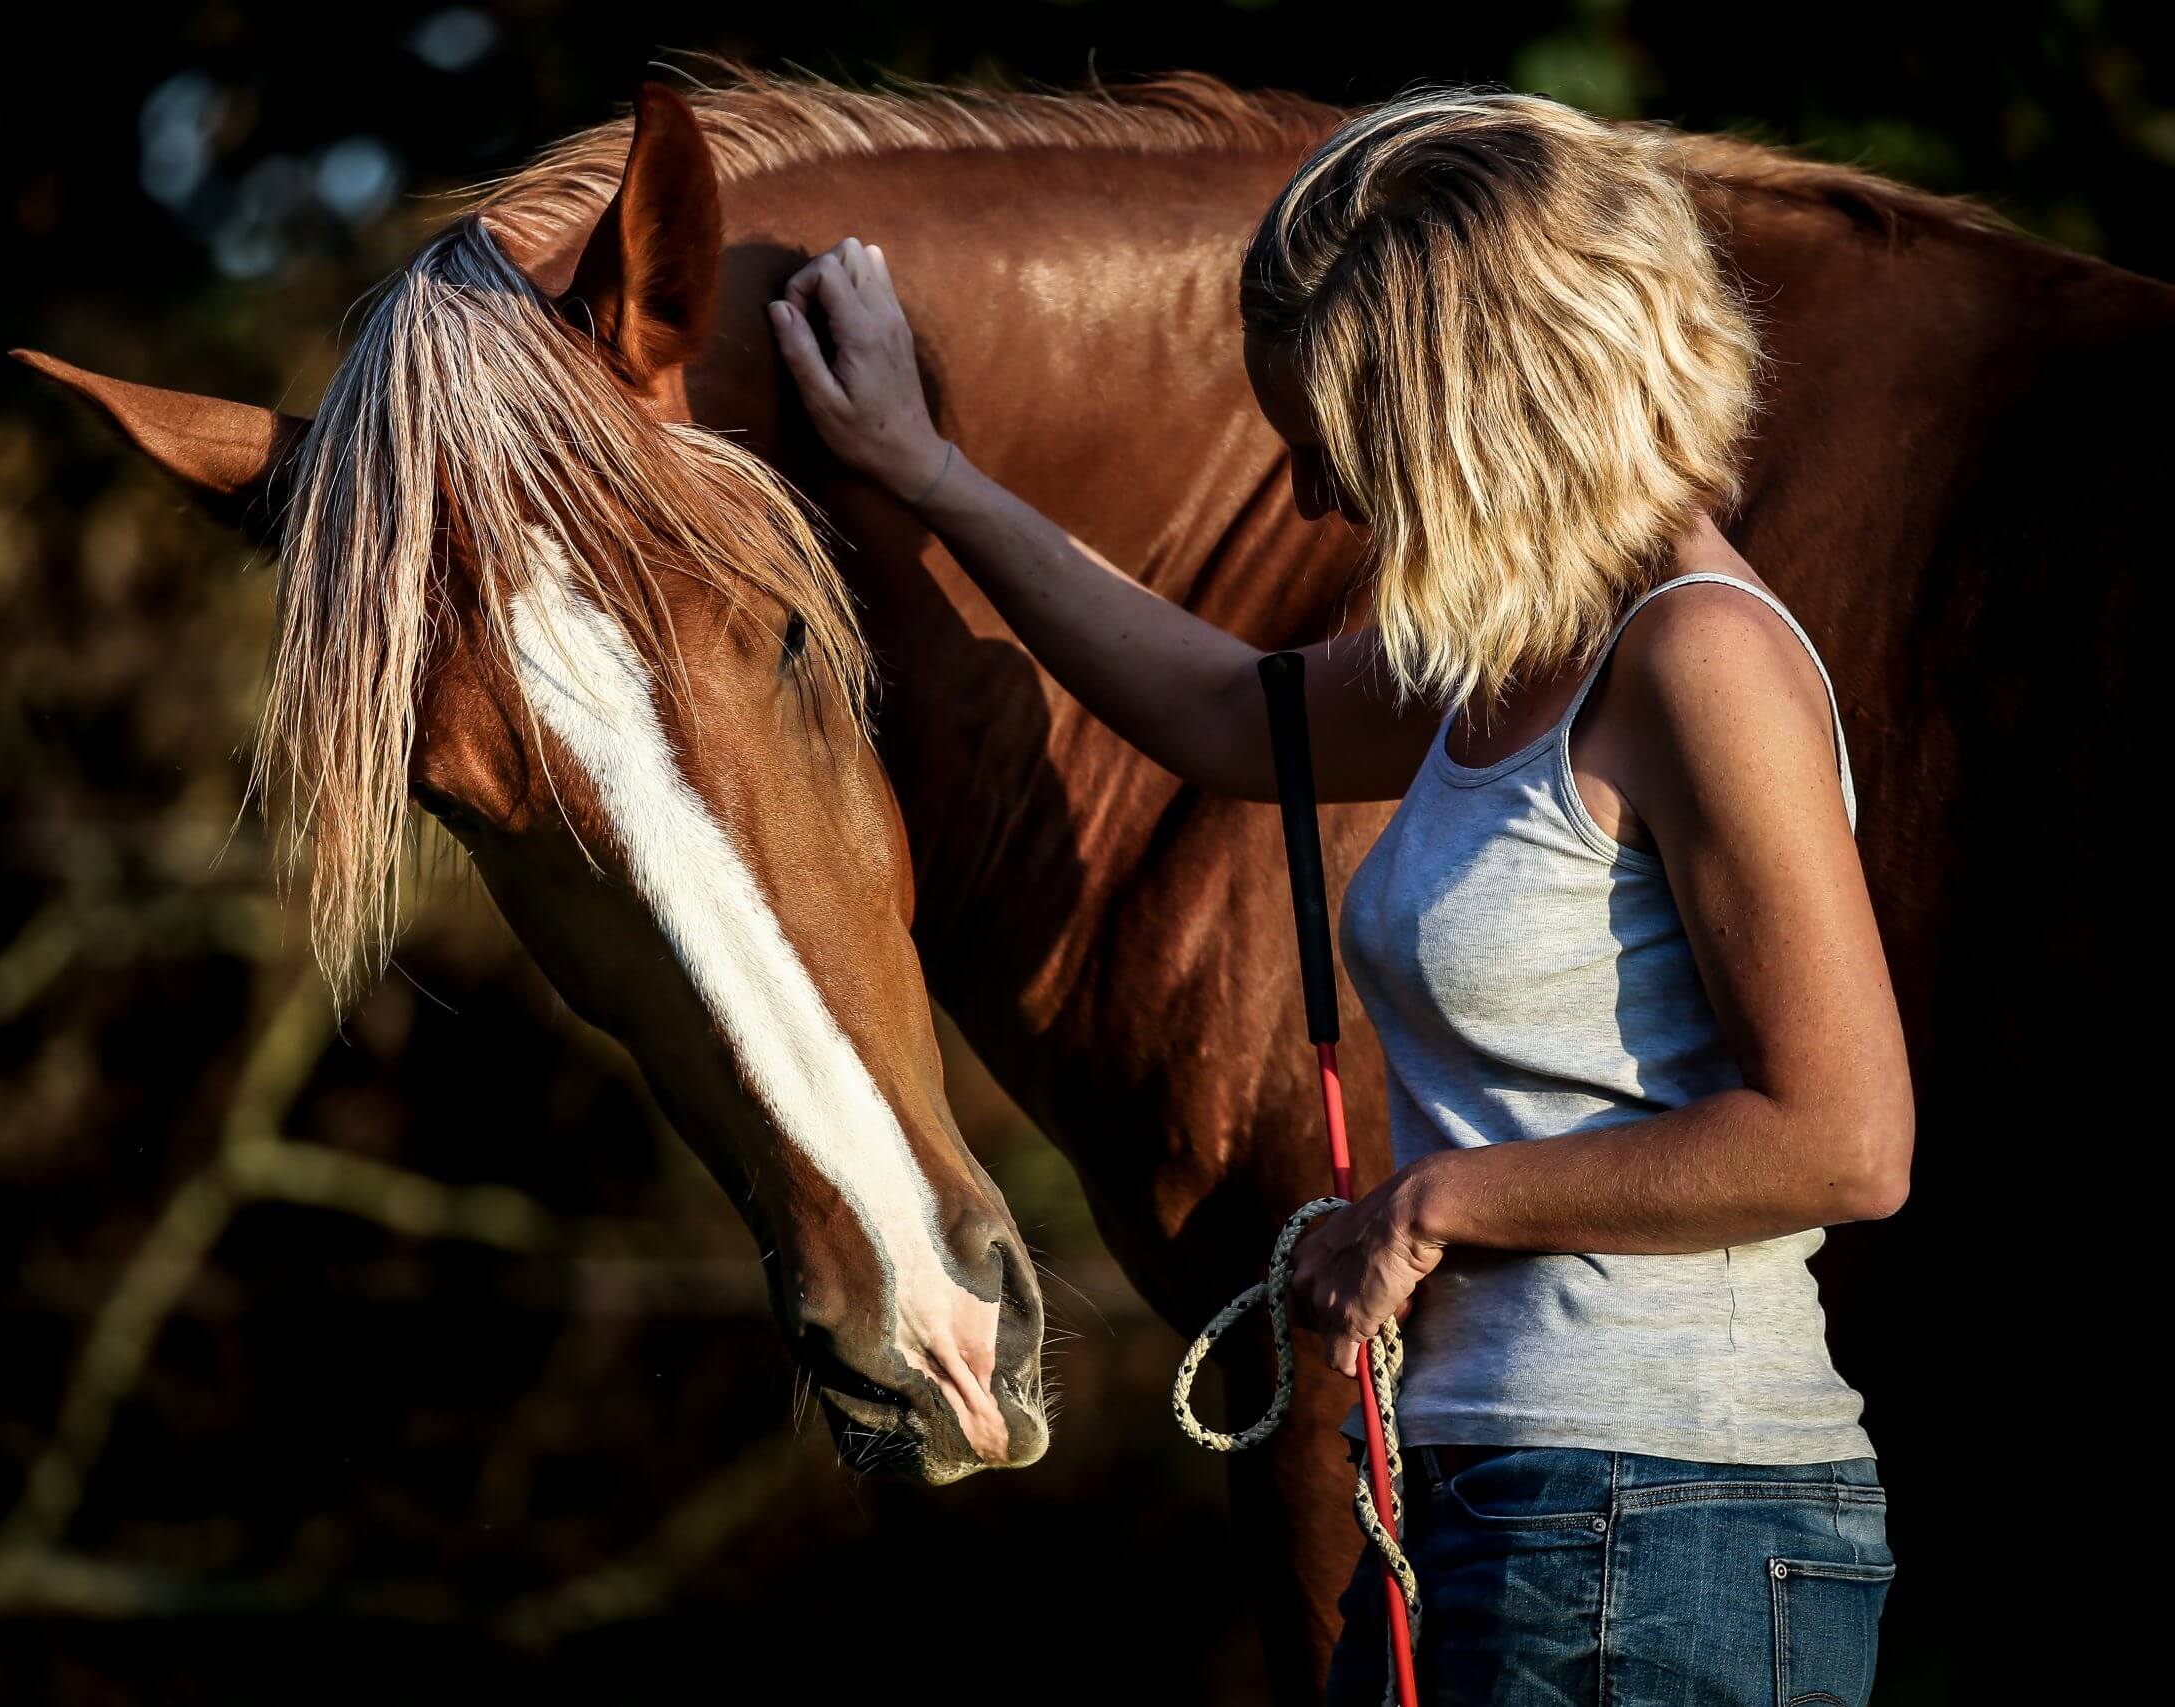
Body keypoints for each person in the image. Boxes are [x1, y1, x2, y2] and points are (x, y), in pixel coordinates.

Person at [766, 88, 1912, 1706]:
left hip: (1667, 1511)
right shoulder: (1525, 657)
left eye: (1337, 450)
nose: (1314, 504)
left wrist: (1432, 1208)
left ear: (1480, 411)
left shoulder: (1700, 658)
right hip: (1510, 1495)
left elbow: (1844, 1141)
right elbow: (1233, 713)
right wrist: (926, 472)